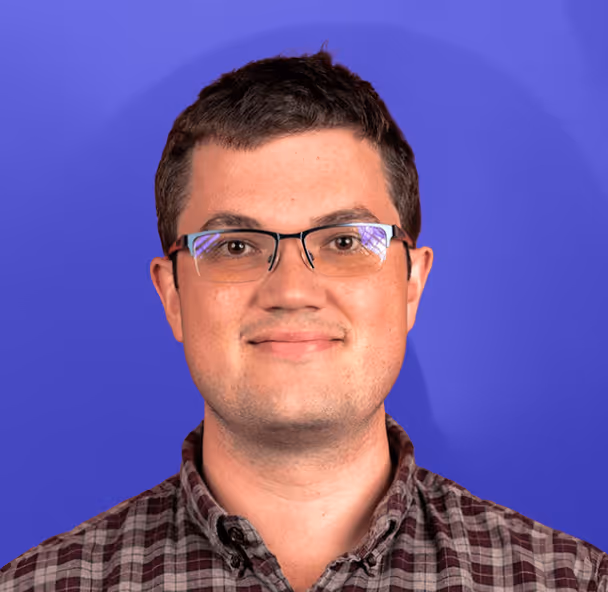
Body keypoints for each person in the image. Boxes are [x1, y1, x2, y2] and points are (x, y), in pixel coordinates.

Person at [1, 47, 606, 592]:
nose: (291, 291)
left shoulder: (572, 582)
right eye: (235, 246)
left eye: (344, 242)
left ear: (411, 285)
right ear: (173, 296)